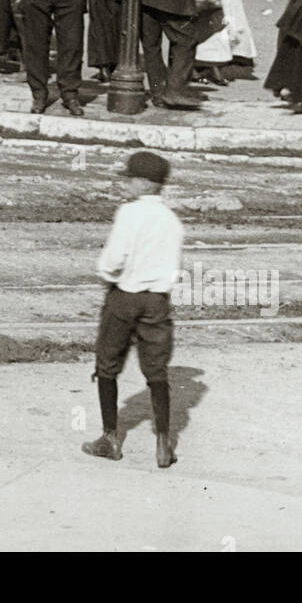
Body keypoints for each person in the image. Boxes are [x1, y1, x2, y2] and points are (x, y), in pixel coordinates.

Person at [81, 150, 180, 469]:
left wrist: (106, 275)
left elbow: (113, 259)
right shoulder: (171, 220)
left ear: (145, 183)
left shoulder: (129, 214)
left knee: (107, 365)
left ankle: (110, 439)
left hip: (124, 297)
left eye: (131, 179)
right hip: (157, 302)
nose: (126, 183)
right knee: (156, 371)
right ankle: (164, 443)